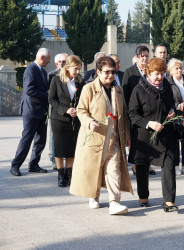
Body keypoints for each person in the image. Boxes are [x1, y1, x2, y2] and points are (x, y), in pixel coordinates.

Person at [70, 56, 133, 215]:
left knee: (114, 169)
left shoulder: (118, 89)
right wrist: (89, 121)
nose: (110, 75)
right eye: (106, 72)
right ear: (98, 72)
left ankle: (114, 202)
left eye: (112, 72)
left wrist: (126, 134)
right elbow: (81, 110)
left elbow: (124, 113)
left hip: (115, 137)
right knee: (95, 168)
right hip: (96, 136)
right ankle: (94, 195)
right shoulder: (88, 88)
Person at [128, 58, 178, 212]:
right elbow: (132, 113)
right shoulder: (139, 89)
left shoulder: (167, 87)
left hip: (164, 133)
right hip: (144, 135)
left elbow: (171, 103)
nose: (160, 77)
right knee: (142, 166)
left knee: (168, 164)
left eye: (162, 74)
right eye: (157, 74)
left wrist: (172, 110)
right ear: (149, 73)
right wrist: (149, 124)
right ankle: (143, 197)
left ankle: (169, 201)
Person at [10, 48, 51, 176]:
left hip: (42, 111)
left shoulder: (43, 72)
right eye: (48, 60)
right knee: (27, 139)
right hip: (31, 111)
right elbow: (30, 90)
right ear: (42, 57)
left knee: (41, 140)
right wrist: (47, 95)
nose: (48, 62)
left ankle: (33, 164)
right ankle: (15, 165)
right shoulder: (30, 70)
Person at [48, 55, 84, 187]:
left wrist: (78, 109)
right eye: (75, 69)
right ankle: (61, 175)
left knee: (71, 147)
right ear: (67, 67)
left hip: (75, 120)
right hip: (59, 119)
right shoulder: (56, 80)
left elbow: (83, 99)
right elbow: (52, 99)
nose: (78, 72)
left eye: (79, 69)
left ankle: (69, 174)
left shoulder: (80, 81)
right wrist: (66, 110)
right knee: (60, 147)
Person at [122, 45, 156, 176]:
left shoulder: (150, 71)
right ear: (136, 57)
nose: (145, 59)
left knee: (150, 138)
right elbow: (125, 93)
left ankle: (149, 165)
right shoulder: (129, 72)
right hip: (134, 111)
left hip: (149, 110)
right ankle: (136, 165)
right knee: (135, 139)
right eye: (142, 56)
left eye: (147, 56)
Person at [166, 58, 184, 175]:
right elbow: (166, 99)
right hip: (174, 114)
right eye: (176, 68)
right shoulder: (167, 82)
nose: (179, 70)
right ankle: (176, 164)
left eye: (180, 68)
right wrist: (177, 106)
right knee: (175, 140)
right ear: (171, 70)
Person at [48, 53, 68, 170]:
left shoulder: (73, 76)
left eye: (64, 61)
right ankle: (54, 160)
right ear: (56, 63)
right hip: (56, 109)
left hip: (70, 110)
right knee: (54, 135)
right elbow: (49, 94)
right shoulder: (51, 76)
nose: (62, 63)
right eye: (59, 62)